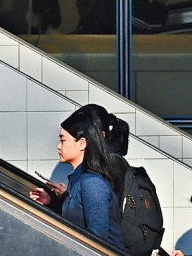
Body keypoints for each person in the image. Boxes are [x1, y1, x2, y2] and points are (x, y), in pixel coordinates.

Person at [28, 106, 124, 247]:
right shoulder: (79, 178)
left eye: (63, 140)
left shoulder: (92, 183)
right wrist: (51, 202)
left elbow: (98, 241)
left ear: (82, 143)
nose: (58, 146)